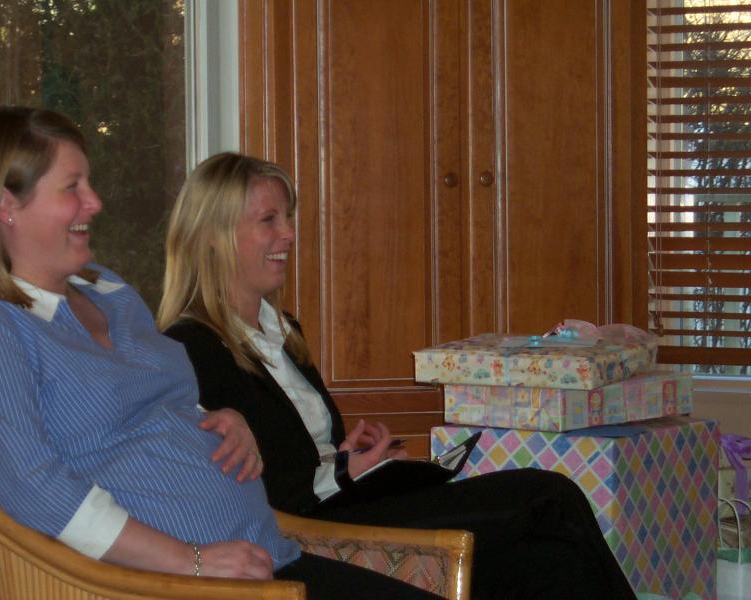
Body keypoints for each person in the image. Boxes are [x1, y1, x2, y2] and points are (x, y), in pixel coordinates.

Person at [0, 106, 445, 600]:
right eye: (72, 187)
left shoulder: (108, 291)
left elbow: (149, 406)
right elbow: (34, 488)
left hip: (266, 557)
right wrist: (190, 561)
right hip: (173, 586)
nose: (94, 202)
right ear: (6, 205)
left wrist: (218, 419)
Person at [159, 151, 639, 600]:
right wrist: (341, 473)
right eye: (269, 220)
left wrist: (355, 460)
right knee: (548, 494)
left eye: (288, 217)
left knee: (550, 561)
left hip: (349, 503)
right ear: (214, 236)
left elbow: (303, 454)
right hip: (314, 531)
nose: (288, 234)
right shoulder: (189, 350)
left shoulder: (285, 332)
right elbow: (239, 492)